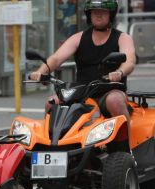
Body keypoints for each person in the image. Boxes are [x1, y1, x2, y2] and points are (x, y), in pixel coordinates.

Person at [30, 0, 136, 149]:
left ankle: (126, 149)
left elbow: (130, 61)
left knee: (115, 101)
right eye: (94, 11)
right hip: (82, 93)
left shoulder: (122, 37)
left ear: (111, 15)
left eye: (103, 11)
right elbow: (56, 58)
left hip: (109, 90)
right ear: (89, 14)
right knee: (51, 102)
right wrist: (41, 72)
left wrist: (120, 72)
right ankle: (51, 146)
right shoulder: (79, 37)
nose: (98, 14)